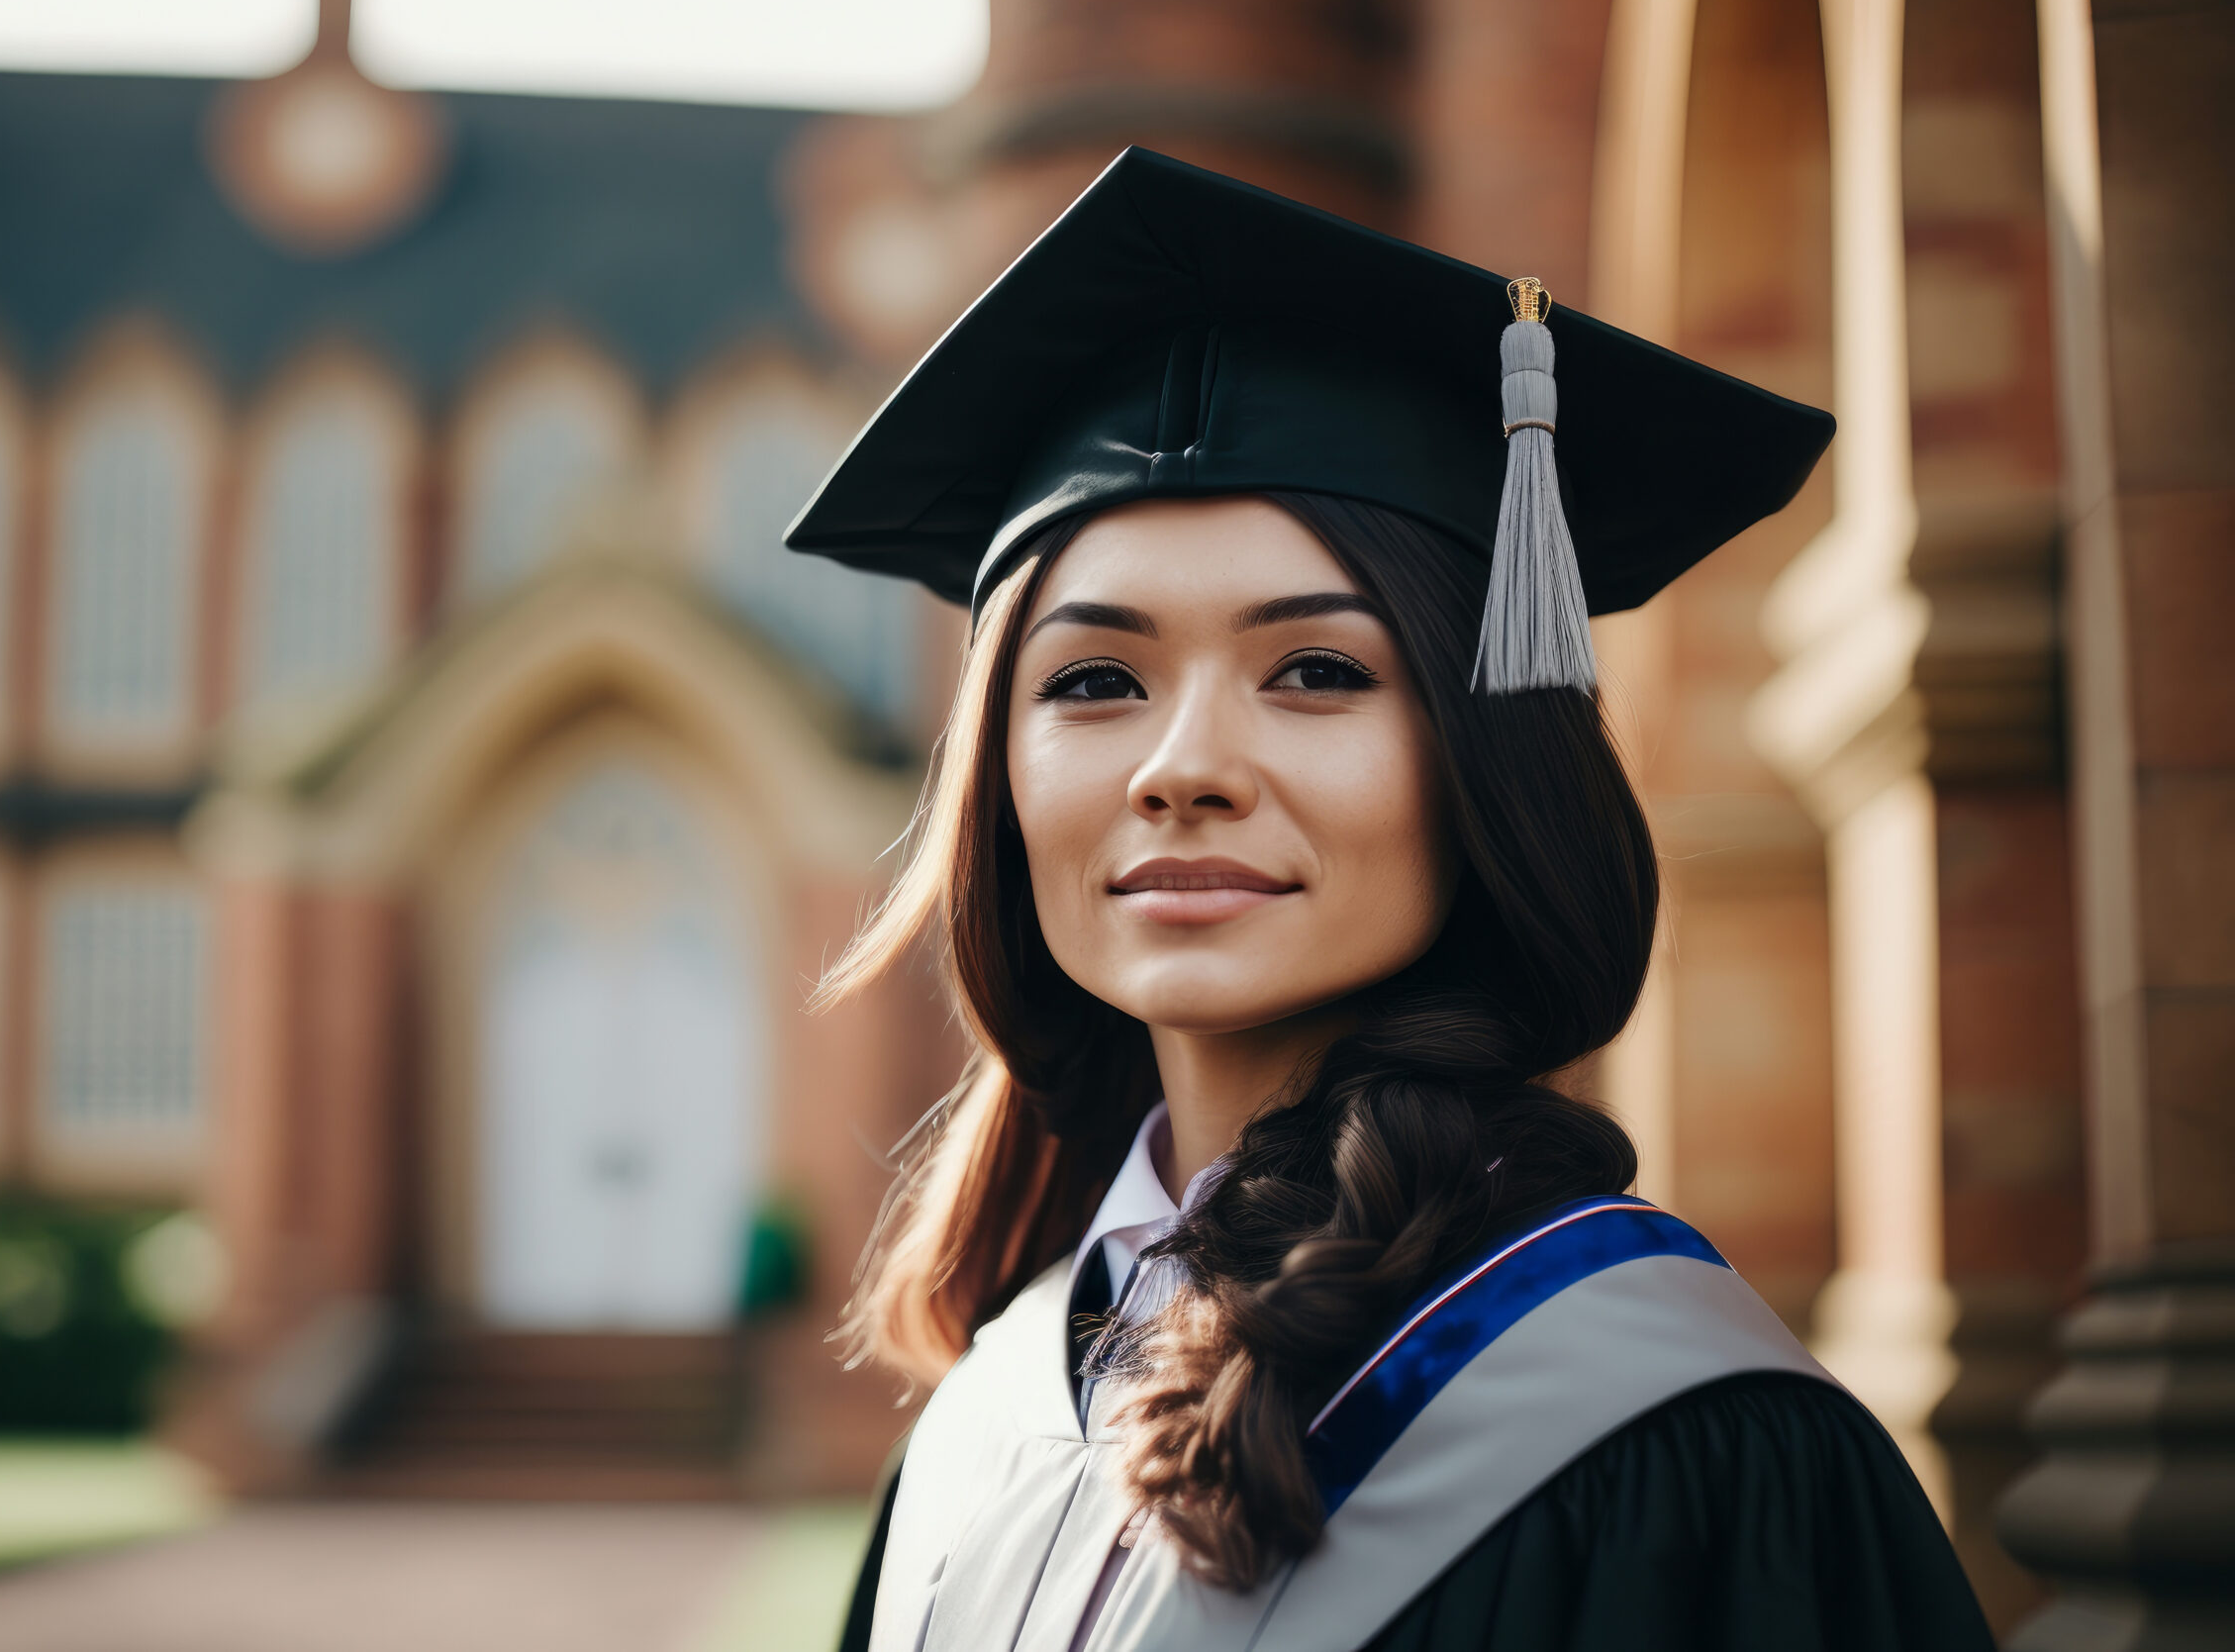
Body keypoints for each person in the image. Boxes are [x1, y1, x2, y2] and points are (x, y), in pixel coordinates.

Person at [786, 149, 1993, 1652]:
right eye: (1095, 680)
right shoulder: (988, 1412)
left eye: (1317, 672)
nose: (1184, 767)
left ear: (1482, 756)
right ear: (996, 782)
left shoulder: (1659, 1435)